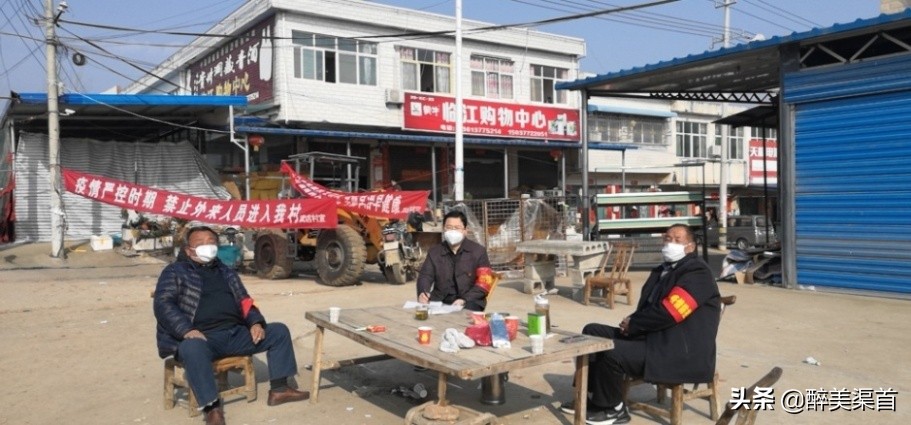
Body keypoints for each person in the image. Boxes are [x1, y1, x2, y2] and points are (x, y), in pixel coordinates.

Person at [561, 224, 721, 425]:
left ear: (690, 246)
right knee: (592, 332)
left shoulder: (698, 273)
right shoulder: (663, 270)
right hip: (654, 337)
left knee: (610, 352)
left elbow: (670, 311)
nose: (670, 243)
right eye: (667, 238)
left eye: (677, 240)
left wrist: (635, 324)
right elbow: (650, 307)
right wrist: (631, 322)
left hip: (677, 350)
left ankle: (613, 408)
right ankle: (589, 396)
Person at [153, 226, 309, 425]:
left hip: (235, 334)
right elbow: (163, 303)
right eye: (200, 243)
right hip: (203, 338)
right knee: (192, 348)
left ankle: (280, 390)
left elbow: (245, 301)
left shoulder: (226, 271)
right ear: (188, 250)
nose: (207, 246)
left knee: (278, 331)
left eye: (211, 242)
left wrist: (255, 322)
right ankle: (212, 409)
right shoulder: (175, 271)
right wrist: (187, 330)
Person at [416, 210, 492, 312]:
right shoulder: (435, 252)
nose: (452, 231)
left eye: (457, 228)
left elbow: (484, 282)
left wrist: (464, 300)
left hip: (469, 301)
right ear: (443, 229)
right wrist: (423, 292)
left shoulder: (478, 251)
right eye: (449, 227)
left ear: (465, 230)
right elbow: (425, 275)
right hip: (440, 300)